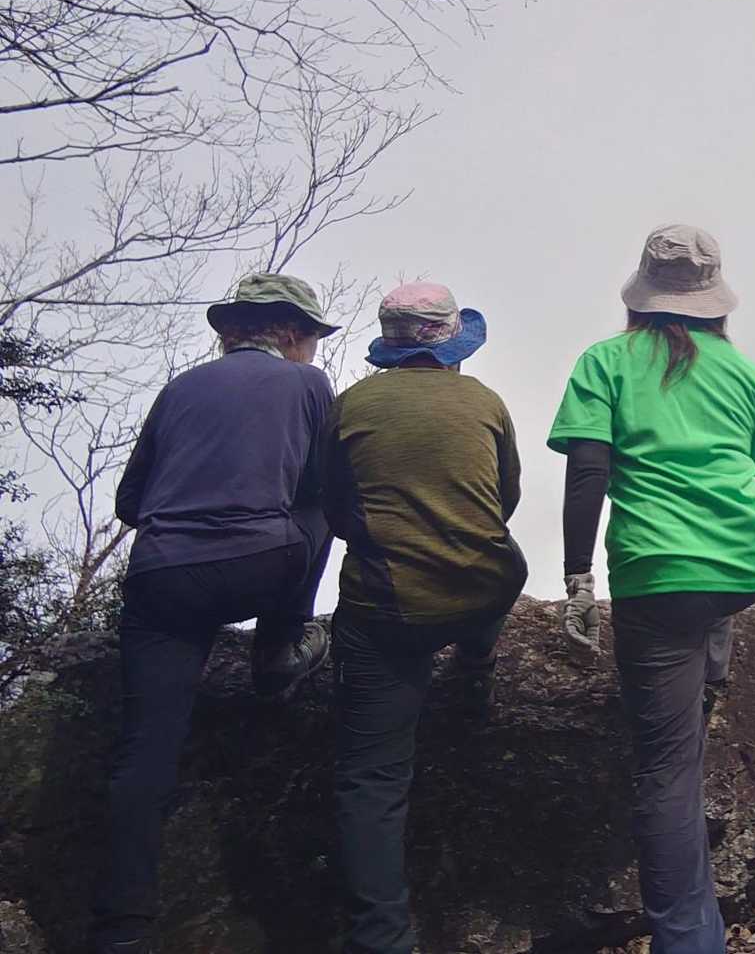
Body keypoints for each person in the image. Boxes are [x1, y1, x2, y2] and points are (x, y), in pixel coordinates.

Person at [548, 224, 755, 954]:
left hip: (660, 572)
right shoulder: (740, 370)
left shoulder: (606, 361)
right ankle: (708, 670)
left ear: (642, 297)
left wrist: (579, 576)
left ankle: (689, 943)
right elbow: (751, 465)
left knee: (667, 774)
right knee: (704, 614)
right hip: (747, 560)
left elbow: (589, 472)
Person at [93, 273, 338, 954]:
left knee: (145, 750)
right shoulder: (308, 385)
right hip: (262, 564)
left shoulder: (179, 389)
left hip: (162, 578)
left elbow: (130, 502)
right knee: (320, 509)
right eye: (312, 337)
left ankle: (122, 930)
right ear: (292, 333)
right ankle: (278, 650)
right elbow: (323, 489)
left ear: (229, 333)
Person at [319, 282, 526, 954]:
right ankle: (476, 662)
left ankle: (384, 937)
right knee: (506, 562)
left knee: (371, 777)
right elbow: (503, 501)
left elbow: (333, 507)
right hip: (479, 590)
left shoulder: (352, 405)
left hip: (387, 611)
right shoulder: (485, 403)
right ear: (453, 347)